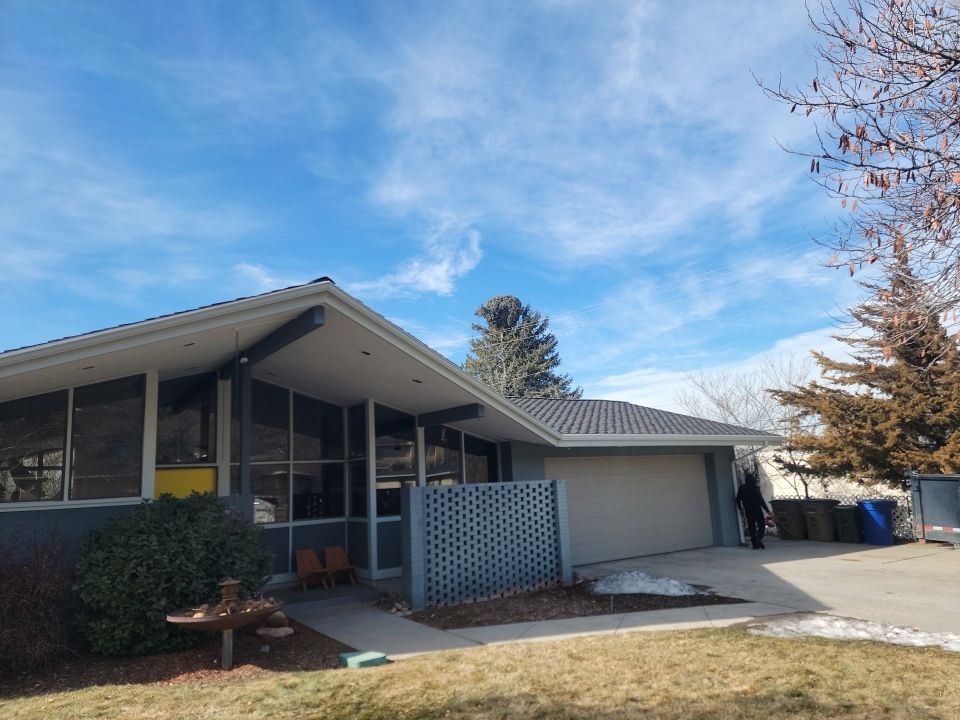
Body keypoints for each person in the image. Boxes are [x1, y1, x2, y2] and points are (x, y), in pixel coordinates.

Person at [736, 470, 770, 549]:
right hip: (757, 509)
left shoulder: (741, 488)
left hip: (748, 510)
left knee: (751, 527)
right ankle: (759, 537)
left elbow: (737, 500)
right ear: (753, 480)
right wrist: (767, 510)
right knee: (761, 524)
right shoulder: (755, 488)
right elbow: (760, 500)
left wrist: (740, 509)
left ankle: (754, 544)